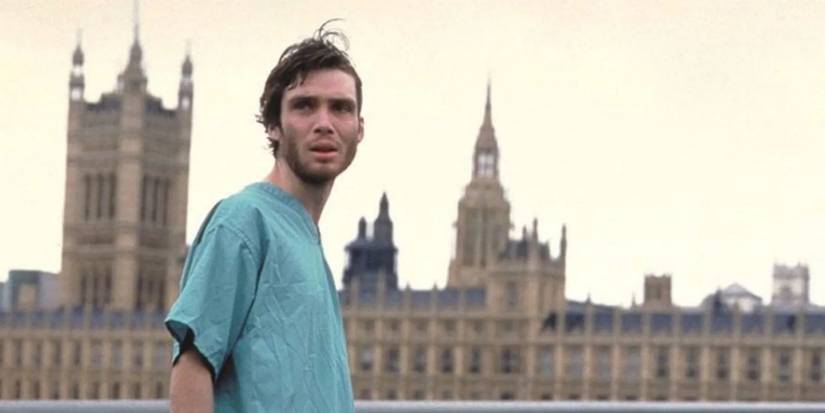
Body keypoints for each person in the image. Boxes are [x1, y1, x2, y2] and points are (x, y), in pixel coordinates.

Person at [166, 23, 362, 413]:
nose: (324, 122)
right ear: (272, 125)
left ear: (359, 129)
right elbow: (192, 368)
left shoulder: (306, 239)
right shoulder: (243, 222)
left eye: (341, 107)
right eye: (305, 105)